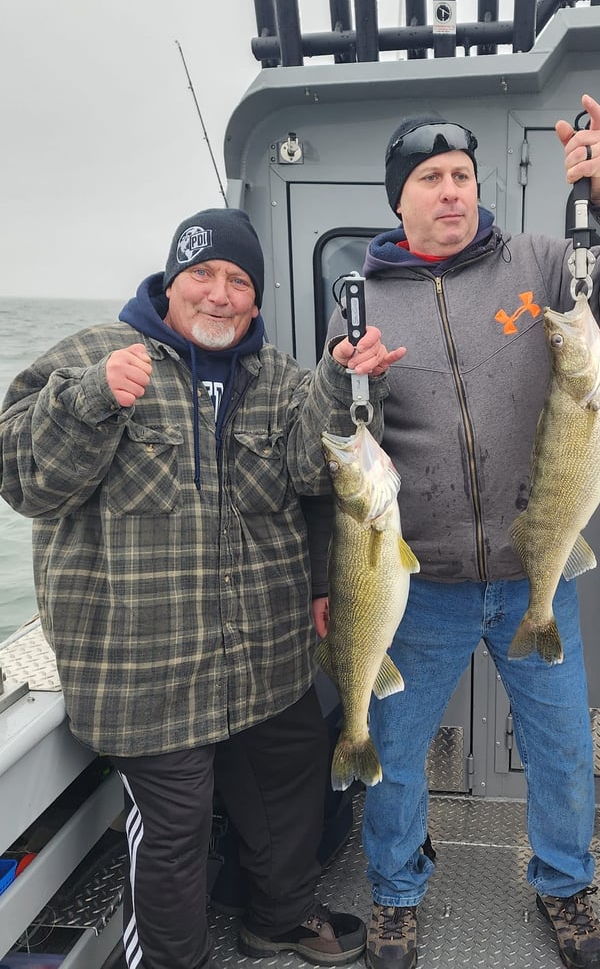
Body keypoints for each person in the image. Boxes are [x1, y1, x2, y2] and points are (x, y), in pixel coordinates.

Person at [323, 95, 600, 969]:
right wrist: (339, 383)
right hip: (422, 585)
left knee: (561, 749)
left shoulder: (545, 260)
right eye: (431, 180)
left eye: (462, 178)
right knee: (395, 753)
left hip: (533, 574)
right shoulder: (363, 302)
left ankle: (566, 886)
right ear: (397, 200)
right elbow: (339, 433)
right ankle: (397, 894)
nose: (451, 193)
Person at [0, 207, 404, 969]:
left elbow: (315, 472)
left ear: (256, 298)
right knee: (175, 832)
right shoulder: (94, 352)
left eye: (238, 280)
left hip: (263, 656)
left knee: (292, 784)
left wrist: (343, 378)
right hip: (145, 671)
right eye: (202, 275)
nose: (219, 294)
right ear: (171, 280)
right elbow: (24, 481)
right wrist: (87, 399)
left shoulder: (280, 377)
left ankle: (278, 918)